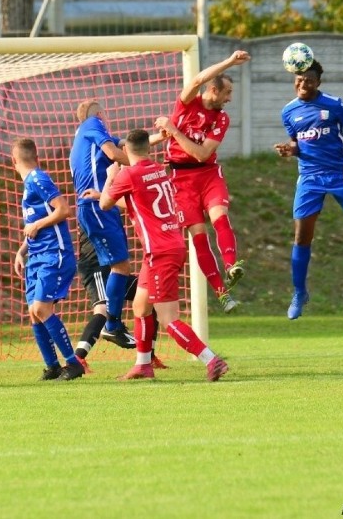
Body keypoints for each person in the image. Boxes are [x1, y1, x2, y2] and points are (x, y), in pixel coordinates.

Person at [93, 129, 229, 381]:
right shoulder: (156, 170)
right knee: (140, 307)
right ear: (147, 148)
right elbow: (137, 202)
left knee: (168, 318)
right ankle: (143, 365)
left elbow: (105, 205)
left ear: (126, 151)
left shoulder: (128, 174)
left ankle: (212, 360)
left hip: (159, 251)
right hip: (169, 245)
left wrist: (109, 179)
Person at [153, 50, 250, 314]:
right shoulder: (187, 104)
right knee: (198, 236)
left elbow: (201, 153)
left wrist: (173, 131)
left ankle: (232, 265)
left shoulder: (221, 118)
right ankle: (222, 294)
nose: (230, 99)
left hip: (207, 174)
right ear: (213, 89)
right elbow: (195, 81)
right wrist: (228, 60)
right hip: (180, 179)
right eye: (227, 92)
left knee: (220, 216)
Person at [273, 60, 343, 319]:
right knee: (302, 236)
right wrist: (290, 150)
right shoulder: (288, 112)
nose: (303, 85)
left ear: (318, 83)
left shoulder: (333, 104)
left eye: (309, 81)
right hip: (310, 177)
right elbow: (298, 143)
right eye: (299, 80)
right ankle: (299, 292)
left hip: (340, 174)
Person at [11, 138, 84, 381]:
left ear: (14, 161)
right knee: (34, 313)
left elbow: (63, 209)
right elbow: (37, 223)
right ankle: (52, 366)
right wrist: (23, 250)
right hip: (37, 256)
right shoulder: (30, 183)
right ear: (37, 157)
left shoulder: (37, 179)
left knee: (41, 308)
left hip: (55, 254)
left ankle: (73, 364)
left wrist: (37, 225)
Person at [70, 100, 135, 346]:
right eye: (103, 114)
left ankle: (116, 330)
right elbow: (114, 153)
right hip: (97, 207)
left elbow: (131, 145)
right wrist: (142, 164)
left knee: (123, 269)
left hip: (100, 208)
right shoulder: (92, 124)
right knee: (119, 269)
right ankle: (112, 325)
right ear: (98, 114)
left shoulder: (88, 135)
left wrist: (163, 136)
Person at [71, 229, 170, 373]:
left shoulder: (108, 212)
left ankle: (149, 356)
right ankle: (78, 359)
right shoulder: (92, 208)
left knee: (149, 298)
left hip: (115, 269)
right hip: (96, 265)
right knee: (102, 310)